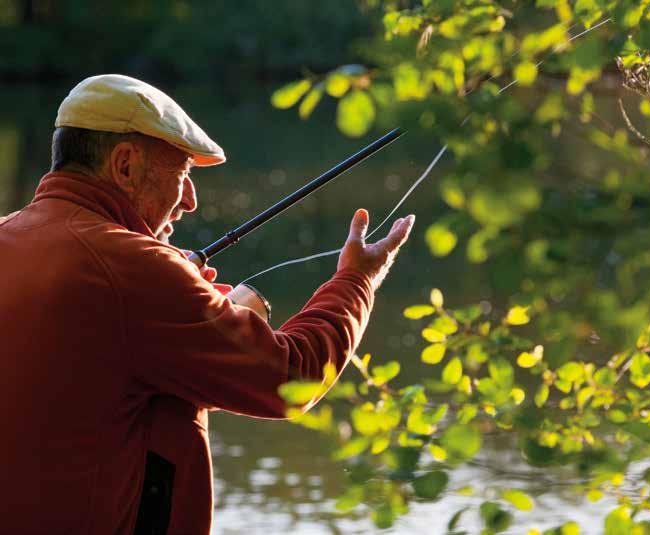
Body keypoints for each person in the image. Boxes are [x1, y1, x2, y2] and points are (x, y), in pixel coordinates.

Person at [0, 74, 415, 535]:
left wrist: (187, 298)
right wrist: (358, 278)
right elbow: (291, 377)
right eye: (183, 173)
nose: (191, 201)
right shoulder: (136, 269)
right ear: (124, 165)